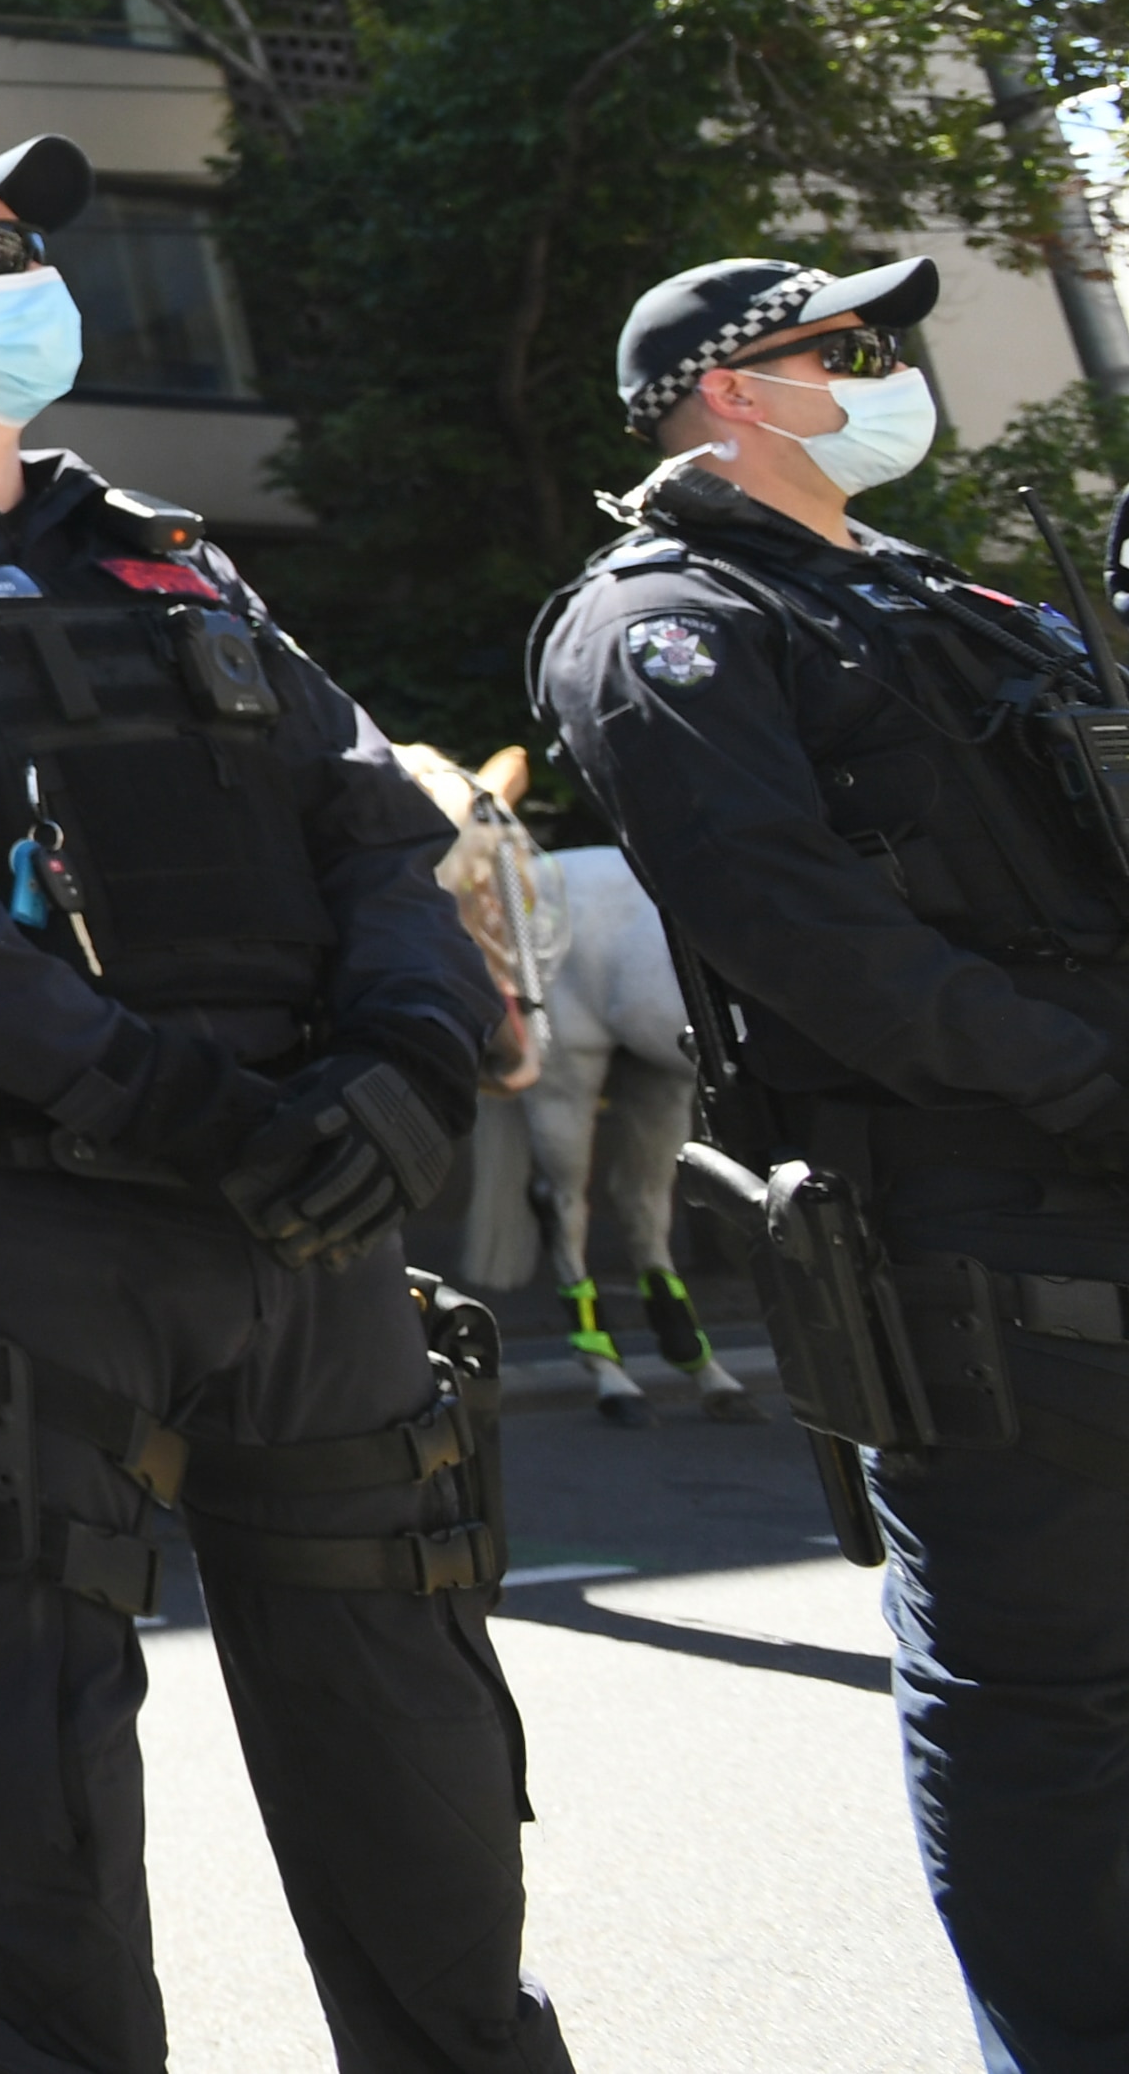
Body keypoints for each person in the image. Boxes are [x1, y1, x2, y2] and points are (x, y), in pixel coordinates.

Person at [0, 135, 568, 2074]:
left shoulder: (171, 544)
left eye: (21, 244)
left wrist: (405, 1067)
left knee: (413, 1766)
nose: (21, 273)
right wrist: (151, 1089)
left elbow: (370, 817)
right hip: (37, 1229)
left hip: (316, 1222)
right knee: (31, 1832)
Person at [532, 255, 1127, 2067]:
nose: (886, 373)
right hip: (979, 1223)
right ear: (725, 389)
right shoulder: (663, 619)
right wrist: (1089, 1081)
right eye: (842, 350)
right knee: (1051, 1718)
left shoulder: (962, 601)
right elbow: (798, 926)